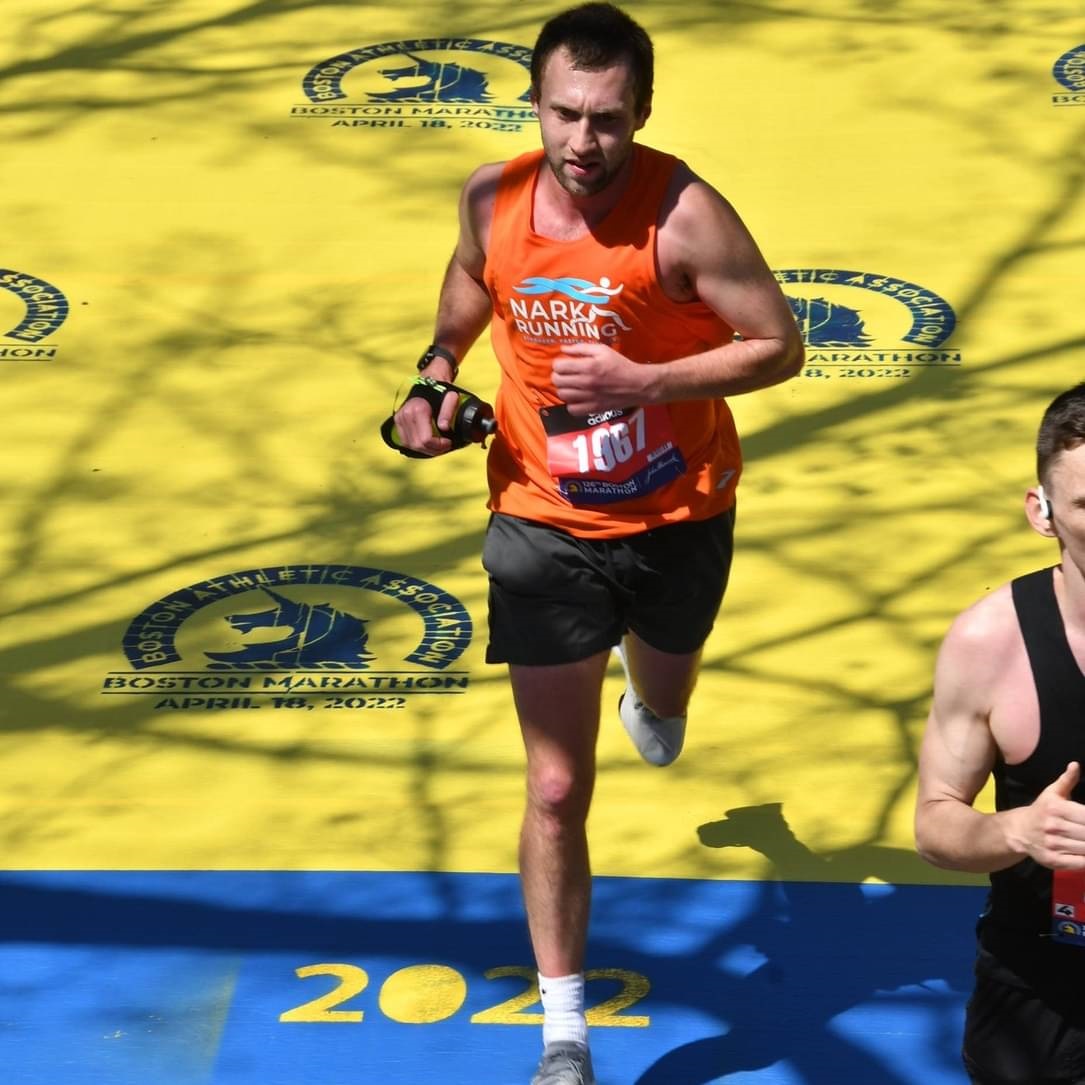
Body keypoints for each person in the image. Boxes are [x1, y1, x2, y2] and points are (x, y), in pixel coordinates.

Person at [392, 5, 804, 1081]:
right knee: (554, 785)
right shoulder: (493, 195)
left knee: (661, 713)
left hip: (676, 515)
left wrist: (644, 380)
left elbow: (777, 345)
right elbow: (474, 278)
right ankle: (563, 1030)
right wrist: (435, 377)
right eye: (564, 114)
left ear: (643, 114)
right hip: (538, 519)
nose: (583, 143)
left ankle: (653, 691)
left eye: (608, 120)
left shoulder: (687, 217)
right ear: (533, 105)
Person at [915, 382, 1085, 1085]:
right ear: (1040, 513)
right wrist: (1019, 831)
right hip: (1042, 978)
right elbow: (935, 823)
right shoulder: (989, 641)